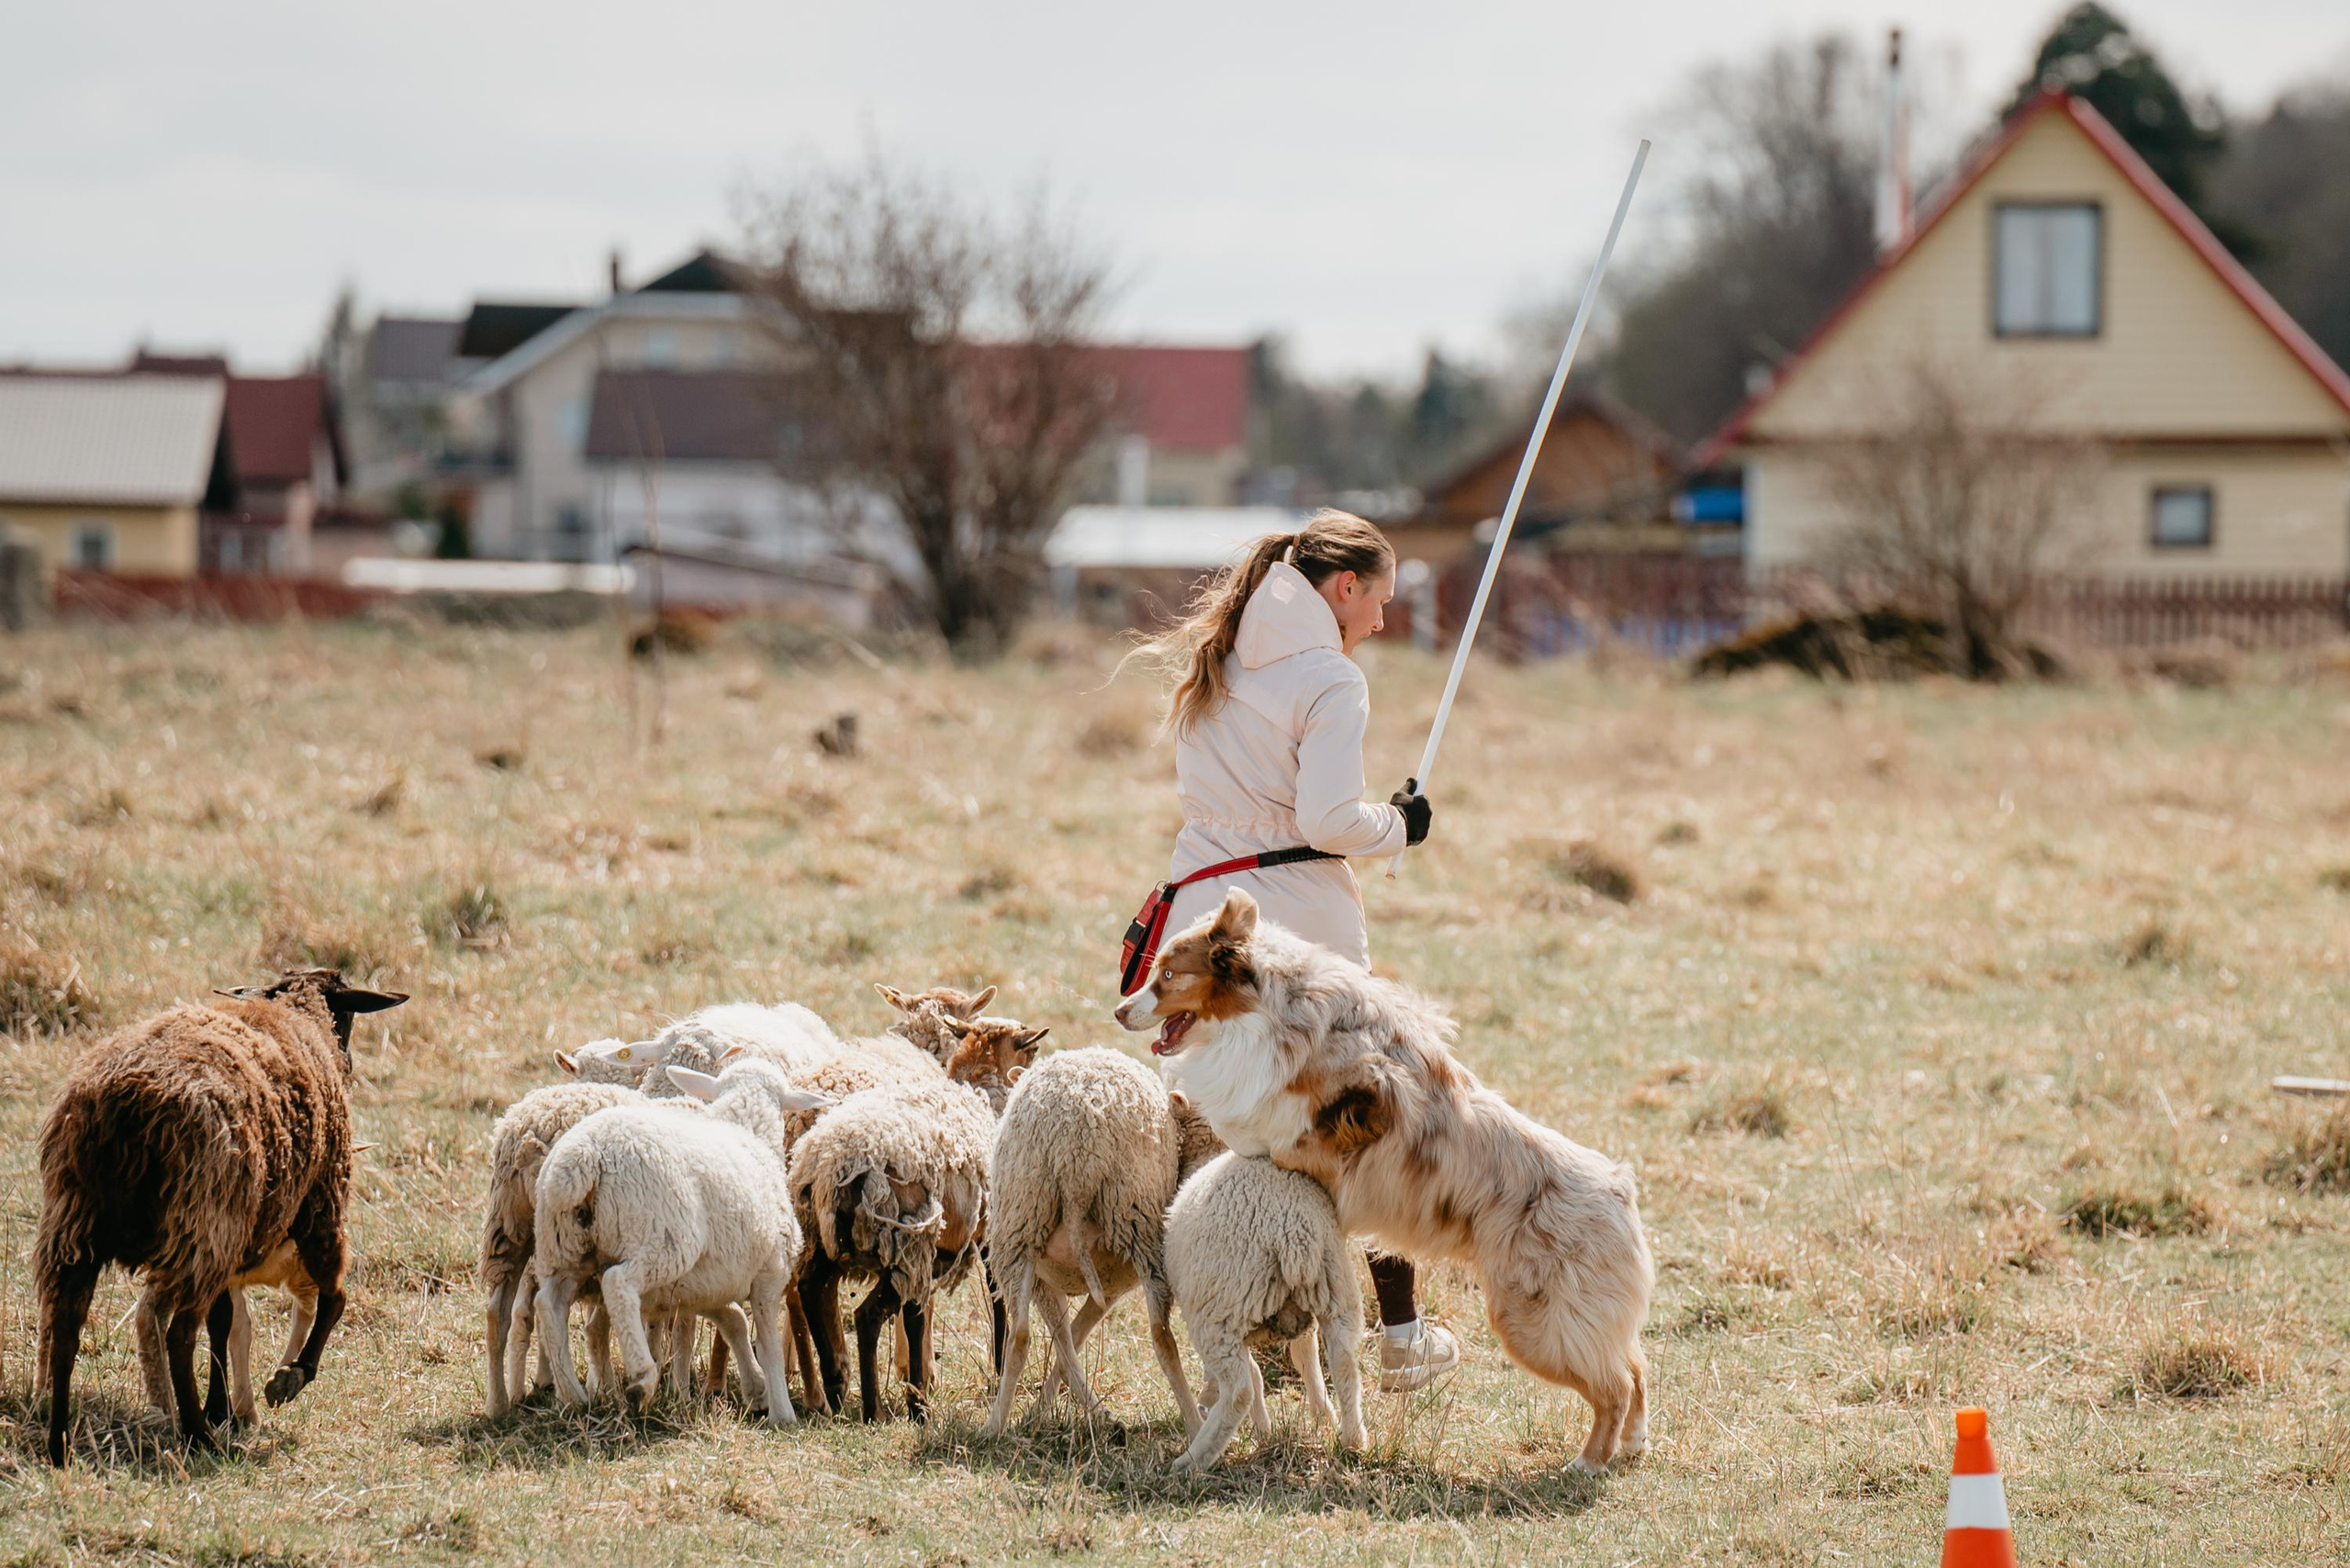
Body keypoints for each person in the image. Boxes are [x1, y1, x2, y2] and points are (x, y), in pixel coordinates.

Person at [1136, 507, 1458, 1393]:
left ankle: (1235, 1328)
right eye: (1379, 600)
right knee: (1353, 1119)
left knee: (1214, 1126)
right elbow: (1324, 819)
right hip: (1293, 931)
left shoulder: (1224, 650)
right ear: (1342, 587)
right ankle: (1397, 1337)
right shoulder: (1329, 678)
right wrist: (1398, 826)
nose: (1383, 622)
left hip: (1200, 918)